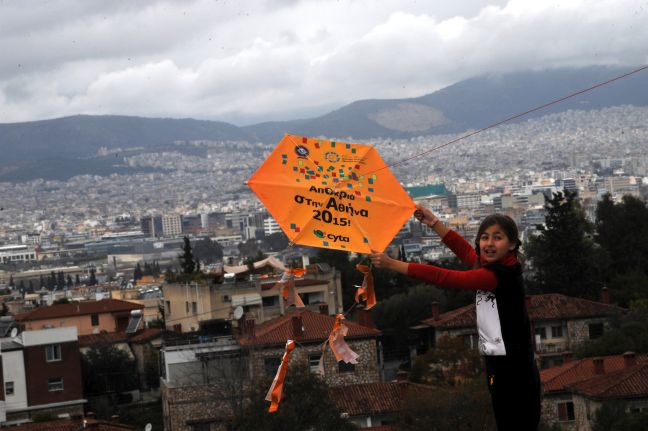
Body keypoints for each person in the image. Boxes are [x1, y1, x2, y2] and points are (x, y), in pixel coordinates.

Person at [370, 204, 541, 430]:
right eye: (484, 237)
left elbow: (446, 278)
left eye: (497, 238)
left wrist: (393, 264)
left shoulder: (497, 276)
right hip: (503, 366)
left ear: (512, 244)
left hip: (514, 374)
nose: (489, 243)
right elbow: (467, 253)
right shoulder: (500, 265)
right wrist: (434, 224)